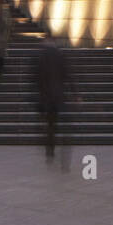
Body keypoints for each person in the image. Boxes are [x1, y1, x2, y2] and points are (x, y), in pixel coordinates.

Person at [35, 36, 77, 164]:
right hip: (58, 96)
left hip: (46, 97)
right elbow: (68, 75)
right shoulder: (60, 55)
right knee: (58, 124)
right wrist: (76, 93)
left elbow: (37, 78)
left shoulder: (41, 57)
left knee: (49, 125)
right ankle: (58, 148)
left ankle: (50, 150)